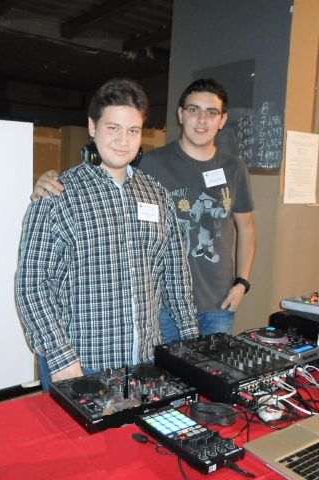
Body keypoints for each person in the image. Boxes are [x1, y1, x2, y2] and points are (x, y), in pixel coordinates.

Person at [32, 78, 256, 342]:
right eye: (193, 110)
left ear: (222, 119)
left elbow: (246, 228)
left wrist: (242, 282)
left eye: (211, 112)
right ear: (180, 114)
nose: (202, 120)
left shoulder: (234, 168)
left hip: (219, 300)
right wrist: (51, 181)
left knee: (213, 367)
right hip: (158, 305)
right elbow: (106, 178)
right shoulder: (151, 164)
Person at [15, 78, 199, 390]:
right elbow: (32, 285)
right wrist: (61, 359)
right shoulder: (57, 196)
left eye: (133, 131)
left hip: (144, 365)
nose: (123, 141)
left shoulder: (158, 196)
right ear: (92, 126)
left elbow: (176, 277)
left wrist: (192, 342)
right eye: (113, 128)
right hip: (81, 365)